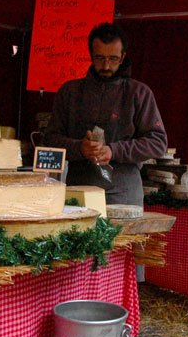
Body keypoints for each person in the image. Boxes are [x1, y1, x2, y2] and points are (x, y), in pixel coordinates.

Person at [43, 22, 167, 205]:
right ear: (91, 55)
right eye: (100, 58)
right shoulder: (69, 92)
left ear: (123, 56)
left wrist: (114, 150)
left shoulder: (139, 93)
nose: (106, 65)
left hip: (124, 193)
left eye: (113, 58)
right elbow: (50, 140)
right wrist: (79, 148)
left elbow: (158, 143)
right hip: (79, 190)